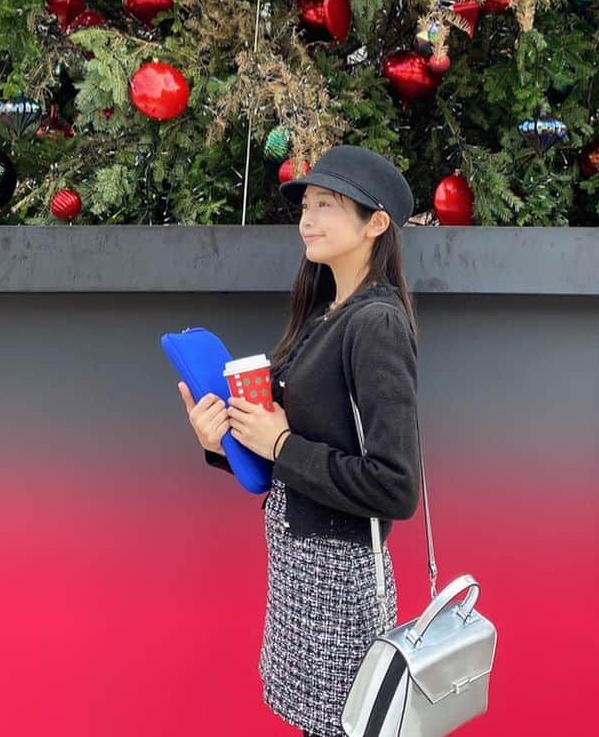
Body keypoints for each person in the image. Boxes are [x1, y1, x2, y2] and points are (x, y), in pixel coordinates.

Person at [179, 143, 422, 736]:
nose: (307, 220)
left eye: (327, 206)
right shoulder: (322, 314)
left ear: (377, 224)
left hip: (339, 580)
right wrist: (223, 443)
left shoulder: (376, 324)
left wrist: (281, 443)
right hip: (297, 569)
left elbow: (396, 487)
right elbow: (283, 453)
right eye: (305, 206)